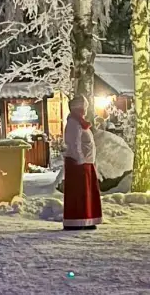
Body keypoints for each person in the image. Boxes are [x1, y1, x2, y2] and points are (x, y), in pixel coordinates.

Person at [62, 96, 102, 230]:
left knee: (87, 194)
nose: (84, 111)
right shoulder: (73, 123)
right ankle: (76, 220)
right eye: (82, 108)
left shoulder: (80, 122)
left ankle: (87, 219)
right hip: (78, 164)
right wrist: (80, 160)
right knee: (79, 195)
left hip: (86, 163)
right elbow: (74, 143)